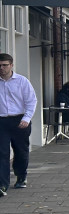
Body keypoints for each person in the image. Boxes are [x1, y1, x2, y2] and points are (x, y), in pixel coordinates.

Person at [0, 53, 37, 194]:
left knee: (21, 151)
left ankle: (21, 176)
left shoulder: (22, 81)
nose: (2, 68)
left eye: (5, 65)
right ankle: (2, 184)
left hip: (19, 120)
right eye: (0, 65)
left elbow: (31, 101)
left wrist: (26, 118)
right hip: (2, 121)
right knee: (2, 153)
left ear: (11, 65)